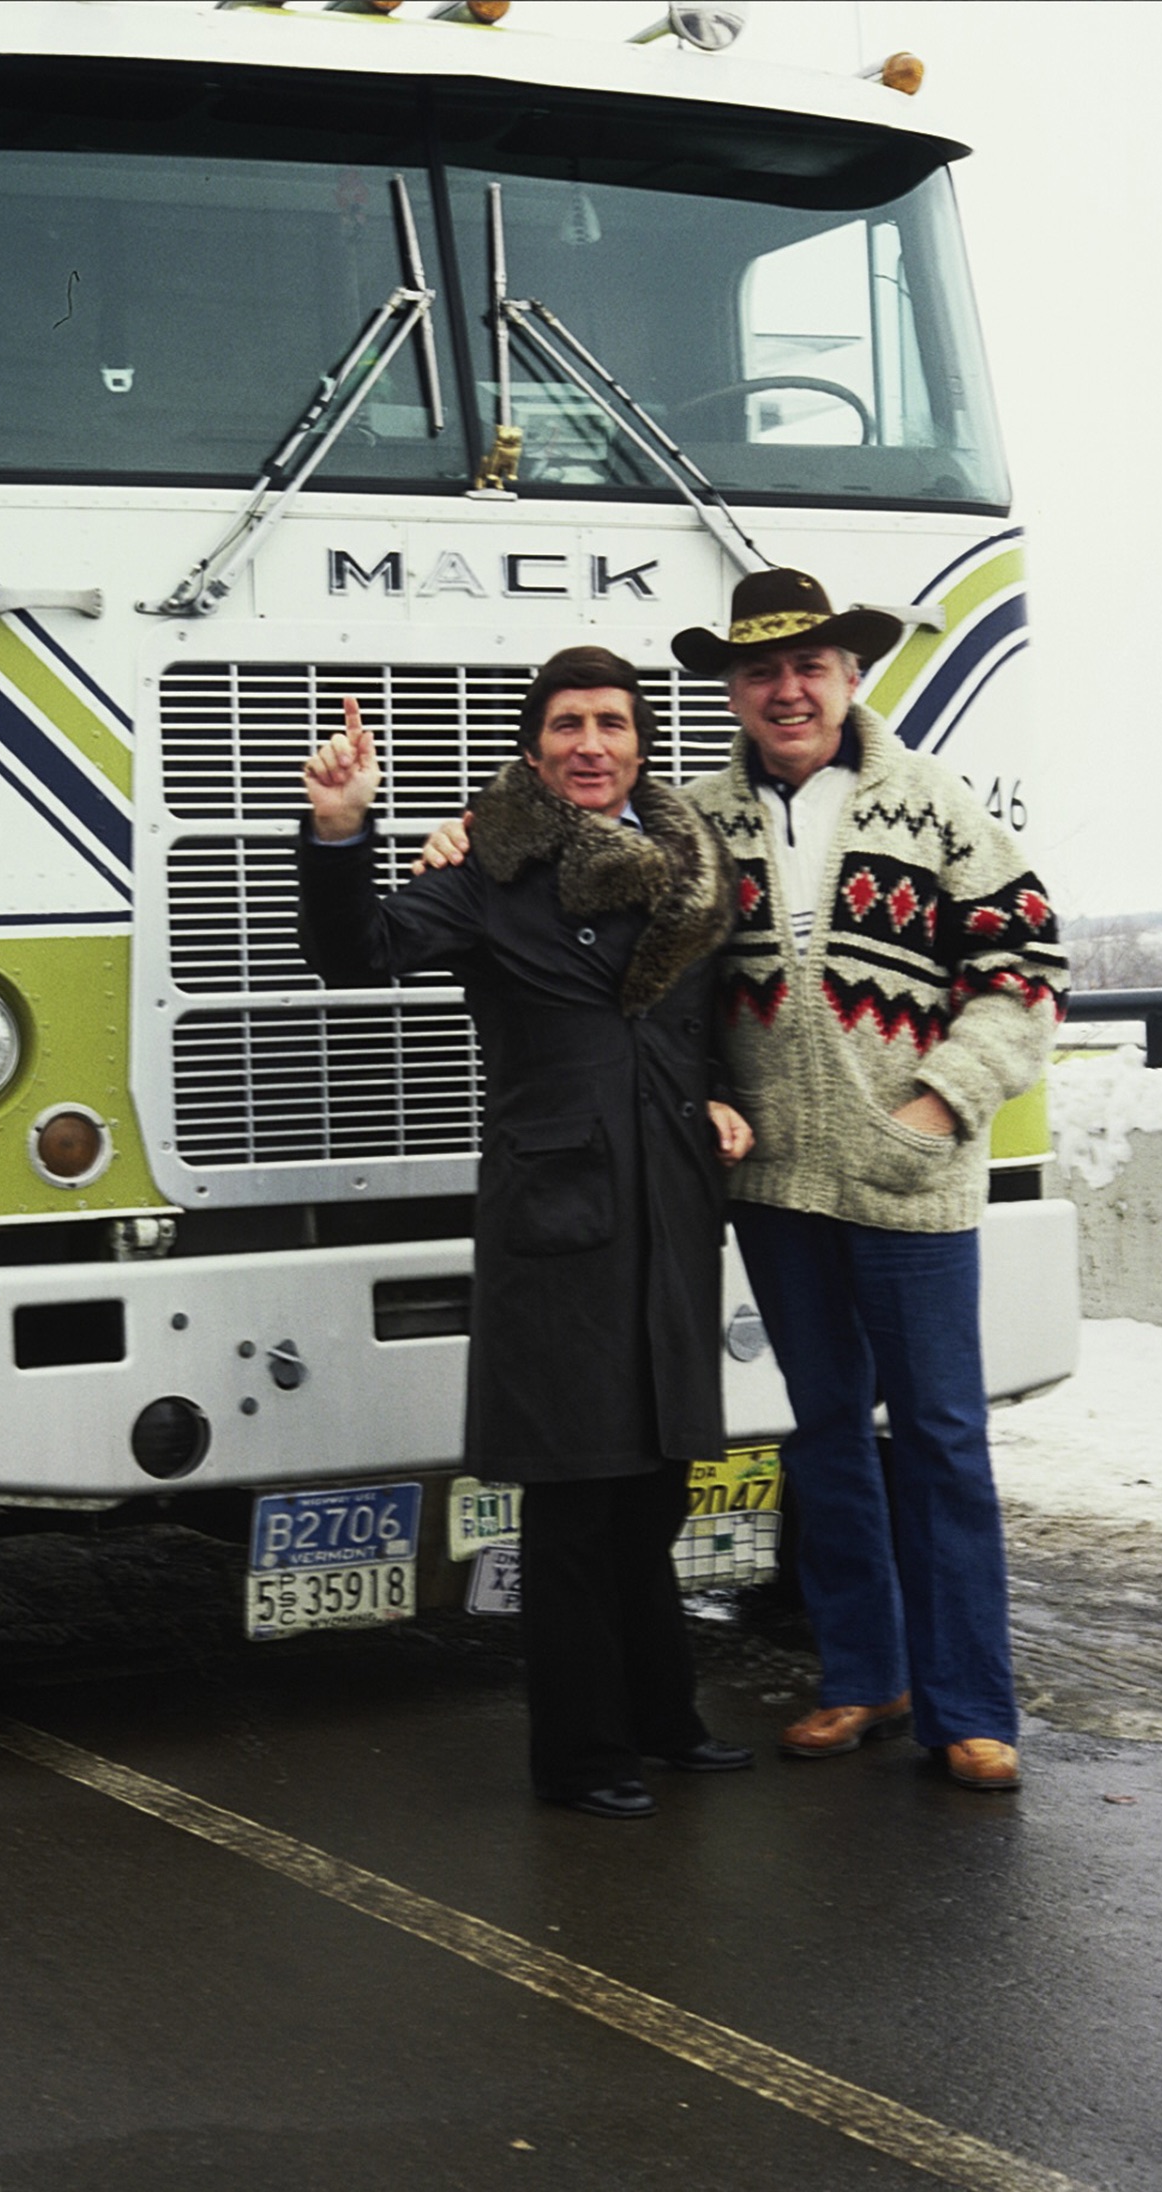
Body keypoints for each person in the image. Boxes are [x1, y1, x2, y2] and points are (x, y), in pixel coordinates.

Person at [418, 572, 1068, 1792]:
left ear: (848, 676)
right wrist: (463, 833)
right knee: (821, 1436)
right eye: (762, 671)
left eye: (809, 666)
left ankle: (971, 1705)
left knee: (936, 1434)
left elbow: (1026, 960)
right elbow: (641, 981)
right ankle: (861, 1675)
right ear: (733, 690)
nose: (786, 689)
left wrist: (944, 1101)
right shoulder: (692, 825)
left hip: (911, 1178)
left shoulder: (934, 807)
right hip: (770, 1185)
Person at [299, 647, 755, 1819]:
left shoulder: (693, 868)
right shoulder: (490, 870)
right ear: (535, 746)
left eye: (611, 722)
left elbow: (698, 1019)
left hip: (669, 1208)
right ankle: (581, 1754)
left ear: (643, 742)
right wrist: (343, 827)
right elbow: (355, 954)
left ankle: (665, 1721)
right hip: (557, 1221)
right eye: (565, 725)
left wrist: (714, 1096)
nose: (589, 744)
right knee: (573, 1498)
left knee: (656, 1487)